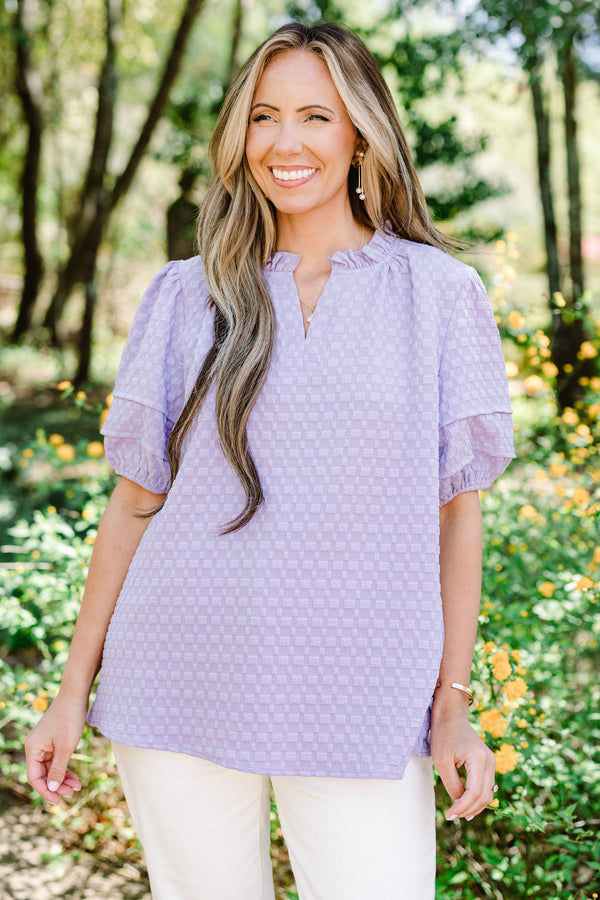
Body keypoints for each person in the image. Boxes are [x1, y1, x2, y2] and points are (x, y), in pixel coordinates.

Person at [25, 22, 515, 900]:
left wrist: (452, 703)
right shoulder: (187, 293)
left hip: (363, 692)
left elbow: (457, 517)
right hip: (179, 676)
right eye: (263, 117)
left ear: (361, 134)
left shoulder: (440, 296)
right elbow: (135, 503)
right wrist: (69, 693)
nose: (285, 143)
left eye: (315, 116)